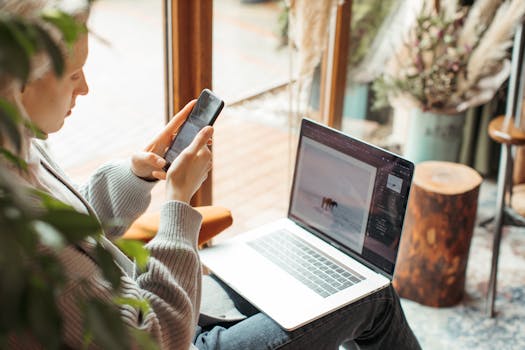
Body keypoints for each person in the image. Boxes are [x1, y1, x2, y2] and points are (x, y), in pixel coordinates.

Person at [3, 1, 421, 349]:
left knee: (290, 289)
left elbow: (76, 233)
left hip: (151, 306)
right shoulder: (26, 247)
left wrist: (138, 173)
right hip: (173, 334)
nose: (86, 89)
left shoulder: (19, 149)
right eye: (74, 74)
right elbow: (162, 337)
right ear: (18, 82)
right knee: (372, 296)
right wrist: (179, 204)